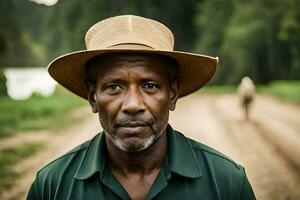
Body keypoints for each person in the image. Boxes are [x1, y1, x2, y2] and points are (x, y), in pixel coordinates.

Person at [27, 15, 256, 200]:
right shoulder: (51, 187)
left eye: (150, 85)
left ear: (172, 94)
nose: (133, 105)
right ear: (92, 97)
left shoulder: (227, 183)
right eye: (114, 87)